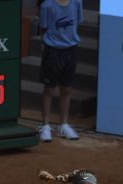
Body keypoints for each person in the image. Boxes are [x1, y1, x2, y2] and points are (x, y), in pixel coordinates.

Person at [36, 0, 83, 142]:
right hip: (52, 52)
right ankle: (45, 126)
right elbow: (43, 28)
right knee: (49, 89)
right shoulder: (47, 6)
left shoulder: (77, 2)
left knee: (66, 89)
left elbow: (77, 22)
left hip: (70, 50)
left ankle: (63, 124)